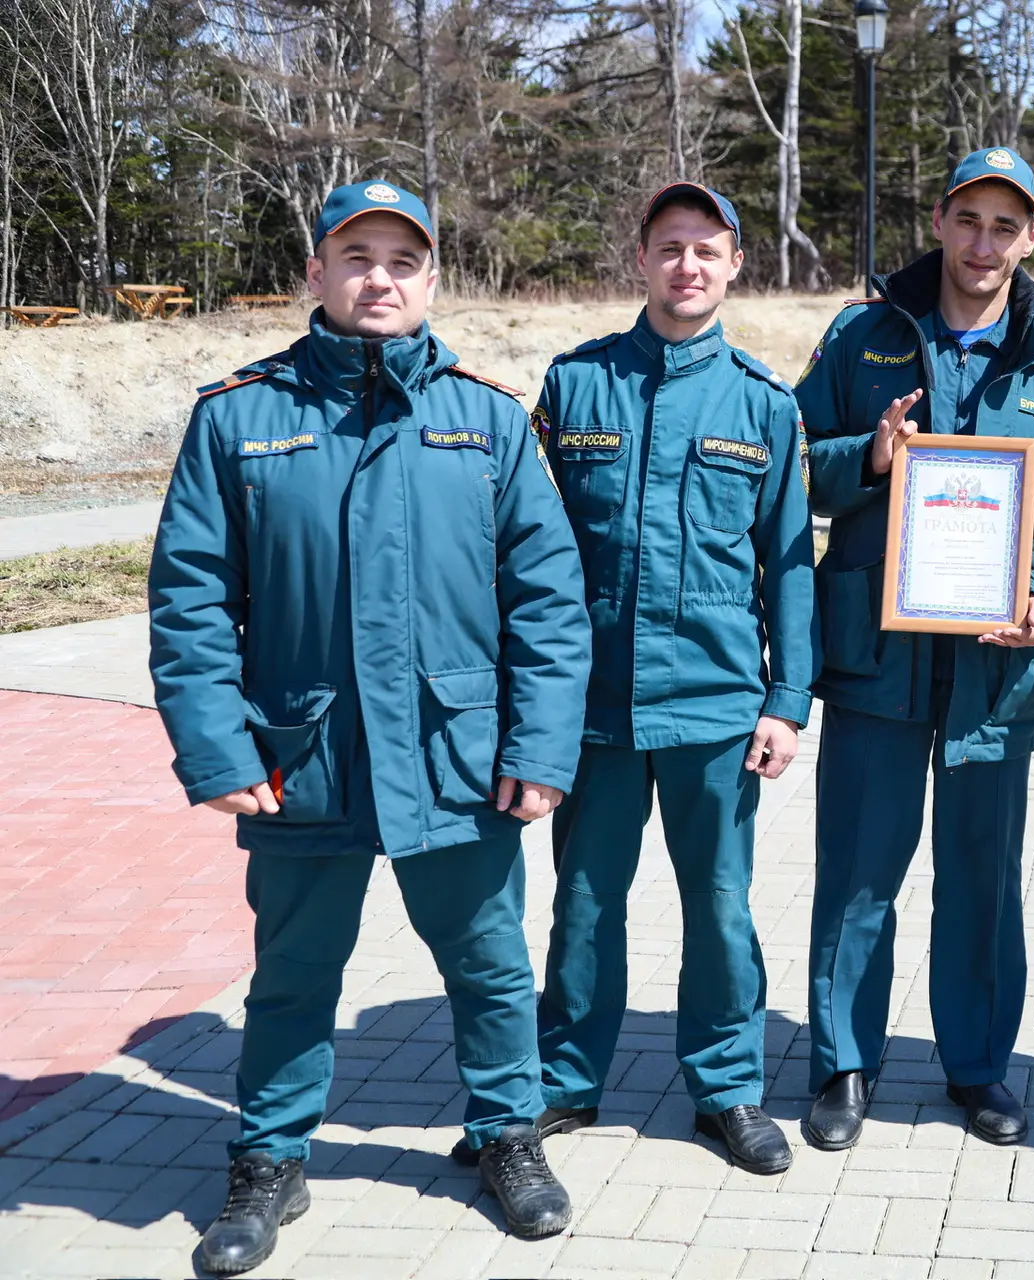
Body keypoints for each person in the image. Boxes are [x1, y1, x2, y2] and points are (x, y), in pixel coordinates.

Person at [149, 180, 589, 1276]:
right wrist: (216, 747)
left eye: (403, 259)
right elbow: (191, 599)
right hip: (303, 758)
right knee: (293, 974)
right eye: (357, 256)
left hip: (458, 758)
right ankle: (269, 1153)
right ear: (317, 272)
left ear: (432, 277)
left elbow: (548, 600)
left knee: (489, 965)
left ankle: (507, 1132)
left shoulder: (489, 418)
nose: (379, 278)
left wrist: (540, 750)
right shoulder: (237, 417)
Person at [795, 146, 1034, 1150]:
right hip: (876, 656)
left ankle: (976, 1067)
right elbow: (795, 466)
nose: (983, 242)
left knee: (983, 875)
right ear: (938, 220)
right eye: (968, 219)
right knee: (859, 870)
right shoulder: (865, 336)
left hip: (994, 664)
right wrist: (871, 456)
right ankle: (845, 1062)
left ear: (1032, 237)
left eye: (1004, 225)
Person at [515, 182, 814, 1175]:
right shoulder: (576, 385)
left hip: (716, 705)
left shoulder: (764, 403)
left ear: (736, 266)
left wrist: (787, 700)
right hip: (593, 704)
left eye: (707, 249)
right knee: (585, 903)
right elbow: (528, 546)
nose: (689, 265)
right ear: (641, 259)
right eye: (671, 246)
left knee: (720, 905)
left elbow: (789, 564)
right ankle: (564, 1079)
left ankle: (727, 1088)